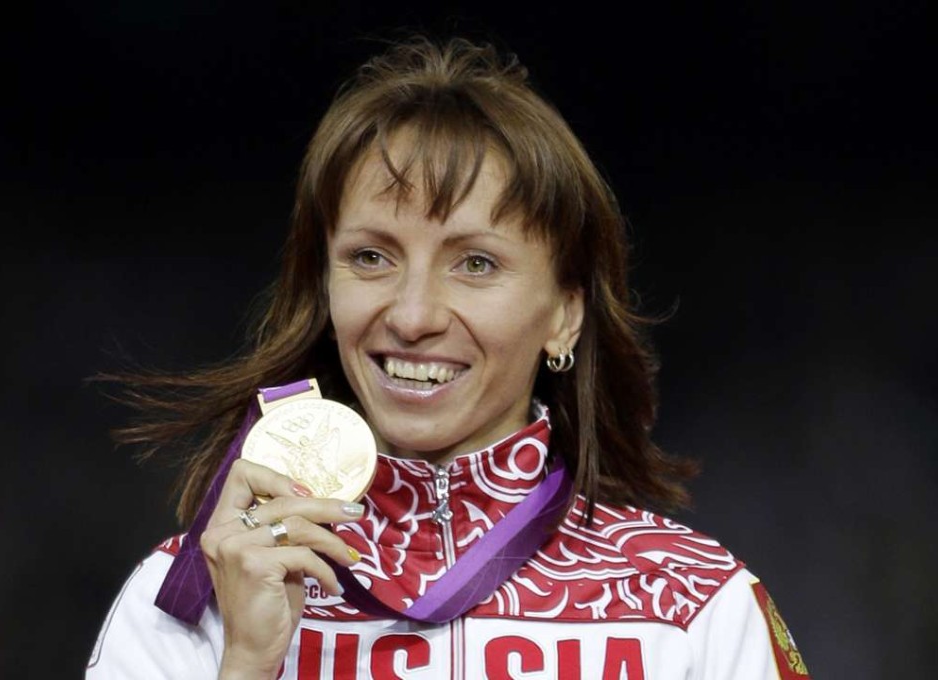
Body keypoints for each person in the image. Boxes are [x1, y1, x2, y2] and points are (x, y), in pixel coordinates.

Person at [87, 37, 811, 679]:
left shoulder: (692, 604)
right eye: (371, 257)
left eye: (475, 264)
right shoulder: (192, 597)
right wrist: (247, 665)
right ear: (325, 288)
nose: (412, 315)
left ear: (564, 314)